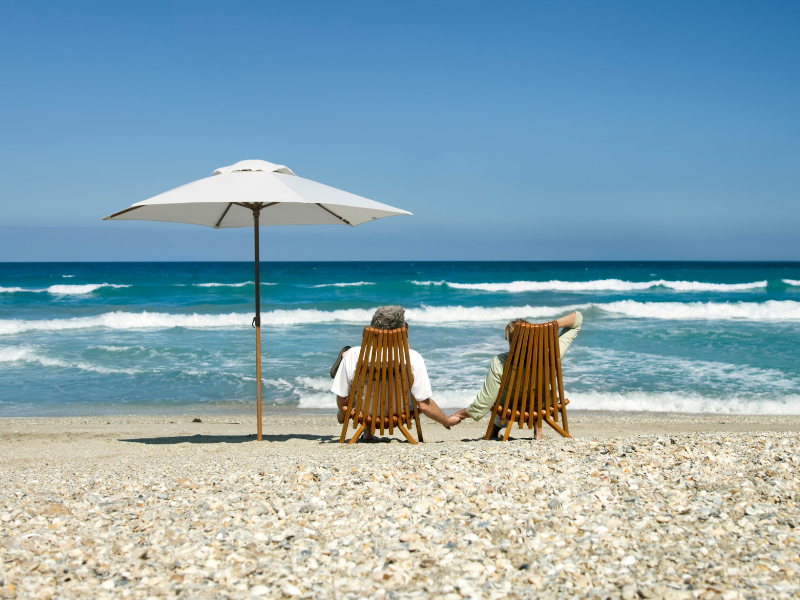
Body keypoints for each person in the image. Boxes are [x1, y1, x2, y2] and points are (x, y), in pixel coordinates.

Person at [331, 305, 461, 439]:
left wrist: (343, 411)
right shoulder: (413, 357)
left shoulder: (353, 355)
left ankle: (368, 429)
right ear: (401, 331)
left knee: (354, 370)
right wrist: (447, 420)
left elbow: (342, 400)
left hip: (363, 412)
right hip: (400, 412)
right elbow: (424, 405)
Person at [450, 311, 583, 439]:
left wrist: (459, 414)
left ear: (510, 340)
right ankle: (538, 431)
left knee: (499, 396)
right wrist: (544, 328)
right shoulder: (551, 353)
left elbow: (485, 402)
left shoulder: (500, 362)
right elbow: (577, 319)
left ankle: (495, 431)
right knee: (535, 394)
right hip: (543, 406)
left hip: (511, 408)